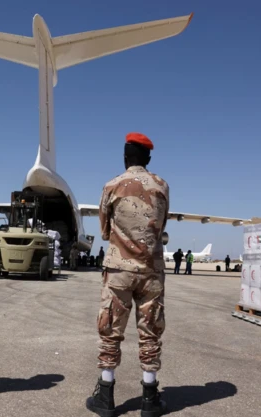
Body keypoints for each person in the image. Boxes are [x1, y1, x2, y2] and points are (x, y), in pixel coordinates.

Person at [87, 132, 170, 417]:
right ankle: (150, 397)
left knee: (110, 331)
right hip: (151, 271)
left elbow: (104, 229)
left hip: (119, 269)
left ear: (125, 159)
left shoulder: (112, 185)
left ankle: (105, 395)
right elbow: (160, 225)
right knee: (150, 333)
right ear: (148, 158)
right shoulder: (161, 185)